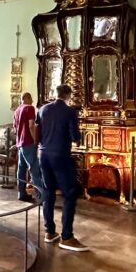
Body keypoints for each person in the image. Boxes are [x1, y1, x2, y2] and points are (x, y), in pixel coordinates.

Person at [37, 84, 88, 251]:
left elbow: (38, 132)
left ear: (55, 93)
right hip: (60, 156)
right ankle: (67, 237)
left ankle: (49, 232)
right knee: (69, 194)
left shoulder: (43, 109)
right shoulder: (69, 112)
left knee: (48, 193)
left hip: (43, 155)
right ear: (68, 95)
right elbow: (75, 137)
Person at [13, 92, 45, 203]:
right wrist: (35, 140)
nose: (32, 101)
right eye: (31, 99)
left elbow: (15, 130)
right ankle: (41, 197)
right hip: (28, 143)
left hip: (20, 144)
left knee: (21, 169)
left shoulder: (17, 111)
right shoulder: (29, 108)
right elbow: (31, 125)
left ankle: (21, 193)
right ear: (28, 98)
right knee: (34, 169)